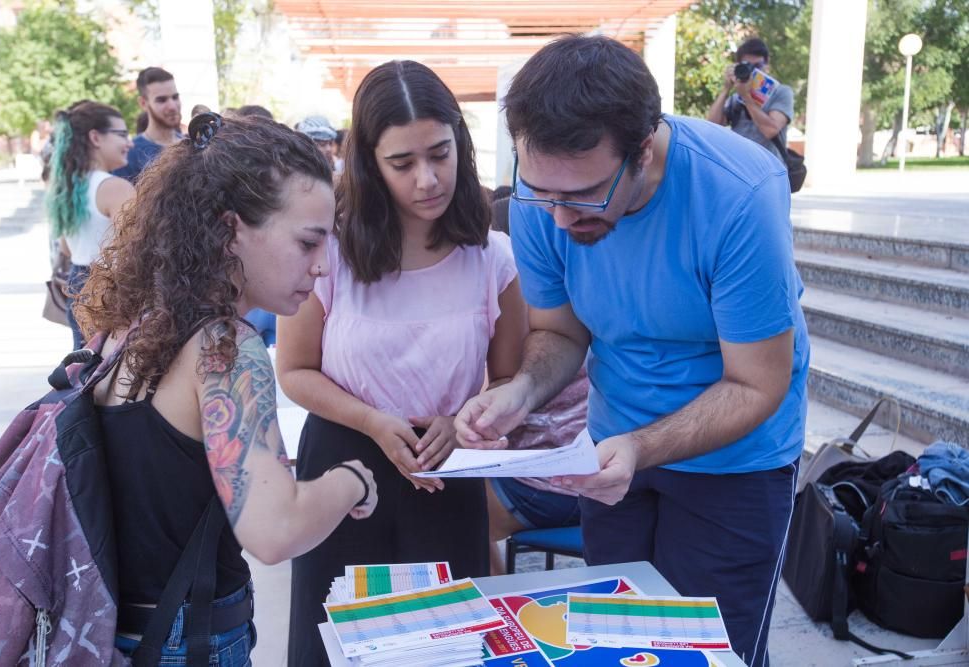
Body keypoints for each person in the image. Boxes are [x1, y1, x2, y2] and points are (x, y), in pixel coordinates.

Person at [455, 35, 809, 667]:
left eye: (584, 195)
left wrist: (642, 447)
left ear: (644, 149)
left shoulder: (740, 195)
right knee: (615, 649)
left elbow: (757, 384)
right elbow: (561, 333)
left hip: (736, 464)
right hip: (611, 455)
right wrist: (520, 392)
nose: (559, 220)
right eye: (543, 195)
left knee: (704, 654)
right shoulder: (545, 190)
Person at [73, 112, 379, 665]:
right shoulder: (226, 350)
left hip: (109, 627)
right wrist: (351, 481)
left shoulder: (130, 325)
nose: (324, 266)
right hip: (188, 638)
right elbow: (274, 531)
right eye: (309, 242)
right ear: (231, 228)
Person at [276, 60, 527, 667]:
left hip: (447, 472)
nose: (427, 179)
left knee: (447, 646)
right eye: (402, 163)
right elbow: (294, 371)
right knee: (335, 642)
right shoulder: (329, 251)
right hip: (342, 474)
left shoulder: (491, 255)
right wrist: (372, 421)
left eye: (440, 154)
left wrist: (467, 417)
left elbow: (512, 380)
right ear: (367, 161)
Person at [45, 100, 136, 349]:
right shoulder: (115, 188)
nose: (130, 142)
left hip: (78, 283)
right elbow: (135, 251)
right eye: (121, 134)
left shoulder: (69, 187)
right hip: (111, 289)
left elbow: (66, 249)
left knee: (82, 371)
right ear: (95, 137)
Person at [486, 367, 586, 575]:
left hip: (550, 488)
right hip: (611, 479)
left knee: (449, 504)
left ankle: (492, 599)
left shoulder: (546, 346)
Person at [706, 37, 794, 162]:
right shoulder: (736, 97)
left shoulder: (781, 92)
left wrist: (747, 97)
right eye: (747, 66)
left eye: (757, 66)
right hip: (740, 167)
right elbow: (712, 125)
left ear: (767, 65)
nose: (753, 72)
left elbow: (770, 130)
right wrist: (726, 89)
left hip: (770, 170)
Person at [113, 67, 183, 182]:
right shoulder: (129, 154)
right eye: (161, 100)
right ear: (143, 103)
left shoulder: (191, 145)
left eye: (175, 97)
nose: (172, 106)